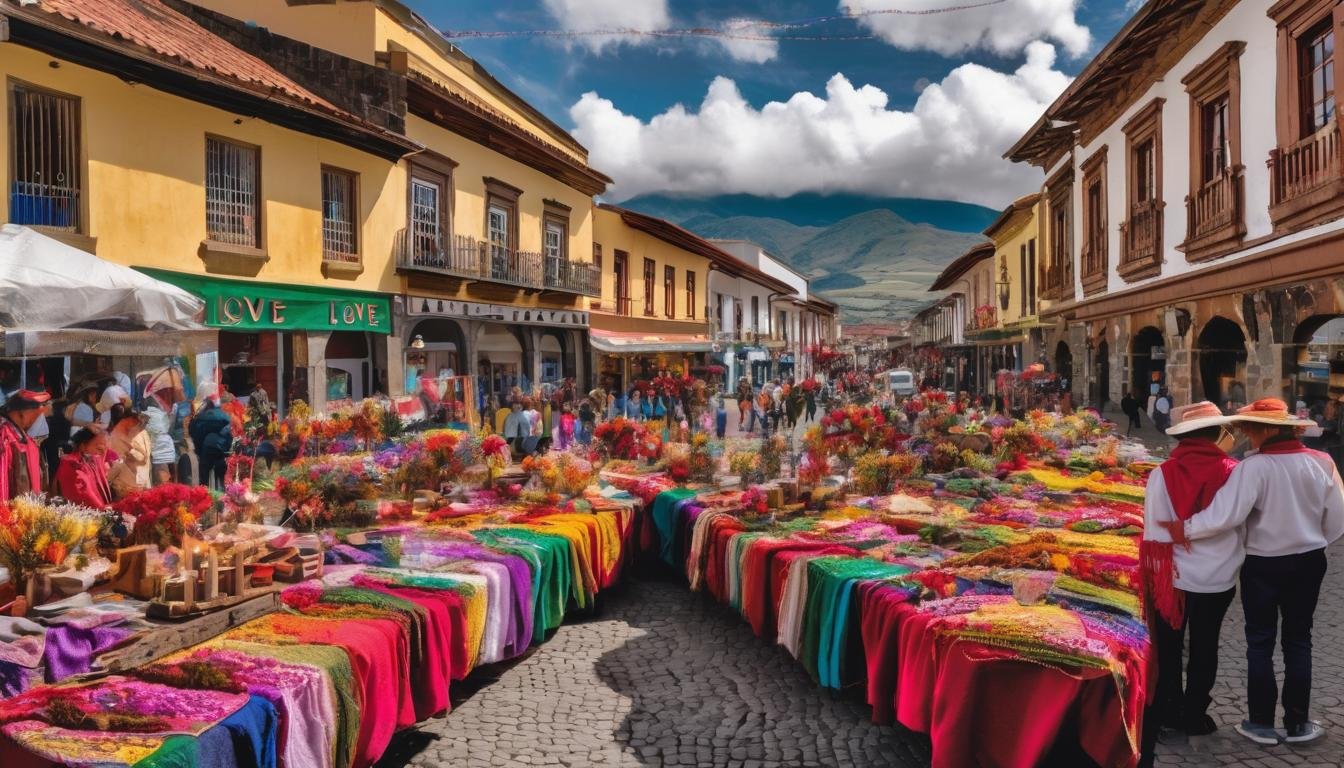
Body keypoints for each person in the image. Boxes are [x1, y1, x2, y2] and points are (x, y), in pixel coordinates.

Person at [1165, 399, 1344, 745]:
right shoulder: (1321, 462)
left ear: (1269, 429)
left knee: (1259, 642)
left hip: (1263, 563)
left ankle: (1261, 722)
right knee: (1299, 639)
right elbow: (1337, 517)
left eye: (1250, 426)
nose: (1245, 432)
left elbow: (1224, 515)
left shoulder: (1255, 468)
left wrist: (1182, 529)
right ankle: (1298, 723)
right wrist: (1312, 538)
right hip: (1309, 561)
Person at [1139, 403, 1240, 766]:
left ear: (1180, 436)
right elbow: (1238, 522)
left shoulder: (1161, 474)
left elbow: (1154, 530)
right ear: (1216, 434)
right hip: (1219, 577)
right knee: (1205, 644)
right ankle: (1197, 713)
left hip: (1175, 580)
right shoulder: (1235, 472)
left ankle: (1169, 711)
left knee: (1169, 647)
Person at [1, 390, 51, 501]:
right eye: (34, 415)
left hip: (28, 511)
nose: (35, 421)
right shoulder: (5, 436)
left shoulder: (26, 440)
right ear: (22, 413)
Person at [54, 428, 115, 509]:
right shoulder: (72, 464)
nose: (103, 453)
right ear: (82, 446)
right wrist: (109, 510)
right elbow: (86, 499)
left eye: (105, 450)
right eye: (99, 448)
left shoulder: (92, 460)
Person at [189, 394, 233, 489]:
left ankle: (204, 495)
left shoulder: (201, 417)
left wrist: (199, 450)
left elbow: (195, 433)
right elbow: (229, 435)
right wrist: (226, 449)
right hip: (221, 450)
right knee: (221, 477)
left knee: (204, 477)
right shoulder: (225, 416)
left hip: (206, 449)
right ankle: (222, 497)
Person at [106, 405, 151, 497]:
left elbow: (145, 459)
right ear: (127, 419)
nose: (140, 423)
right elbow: (115, 466)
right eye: (136, 419)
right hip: (123, 489)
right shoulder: (113, 439)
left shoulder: (142, 433)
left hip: (143, 486)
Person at [142, 397, 177, 485]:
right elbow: (169, 428)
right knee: (169, 476)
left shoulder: (145, 416)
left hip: (157, 451)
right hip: (169, 447)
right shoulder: (164, 415)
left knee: (159, 477)